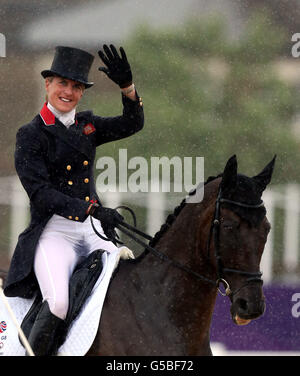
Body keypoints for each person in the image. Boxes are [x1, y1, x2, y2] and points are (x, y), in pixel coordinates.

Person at [3, 44, 144, 355]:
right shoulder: (31, 134)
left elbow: (132, 123)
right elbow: (41, 195)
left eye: (76, 86)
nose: (68, 92)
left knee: (130, 281)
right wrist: (91, 208)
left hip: (93, 230)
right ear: (48, 84)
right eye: (63, 84)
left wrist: (127, 88)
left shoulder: (87, 125)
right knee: (59, 302)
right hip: (55, 233)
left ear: (82, 92)